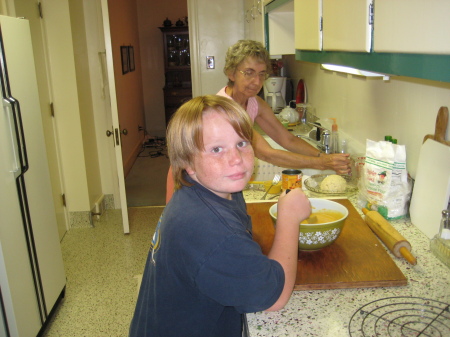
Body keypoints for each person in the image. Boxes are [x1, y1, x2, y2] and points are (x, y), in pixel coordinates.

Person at [130, 95, 311, 337]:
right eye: (217, 149)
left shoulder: (212, 189)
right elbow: (274, 299)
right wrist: (288, 218)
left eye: (242, 143)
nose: (236, 159)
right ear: (188, 162)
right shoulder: (210, 231)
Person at [218, 39, 351, 174]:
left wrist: (324, 157)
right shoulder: (225, 110)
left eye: (262, 74)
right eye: (249, 72)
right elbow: (267, 154)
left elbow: (288, 139)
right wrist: (321, 163)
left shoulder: (253, 102)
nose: (257, 81)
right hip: (212, 180)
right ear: (231, 73)